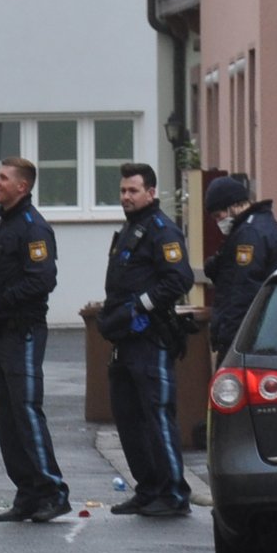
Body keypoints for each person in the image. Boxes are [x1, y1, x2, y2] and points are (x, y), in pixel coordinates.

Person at [0, 157, 72, 523]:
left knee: (27, 411)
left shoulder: (33, 228)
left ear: (23, 186)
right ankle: (28, 492)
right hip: (1, 335)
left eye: (2, 178)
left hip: (23, 332)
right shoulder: (5, 225)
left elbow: (40, 280)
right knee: (7, 415)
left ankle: (53, 489)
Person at [97, 162, 197, 517]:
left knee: (156, 415)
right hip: (125, 339)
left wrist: (140, 306)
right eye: (123, 191)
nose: (126, 196)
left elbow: (179, 279)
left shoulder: (161, 230)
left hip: (150, 338)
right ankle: (148, 488)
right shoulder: (130, 229)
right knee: (128, 417)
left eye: (133, 190)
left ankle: (173, 493)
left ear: (151, 193)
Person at [202, 175, 277, 359]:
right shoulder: (265, 225)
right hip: (265, 334)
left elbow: (241, 292)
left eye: (219, 215)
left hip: (245, 338)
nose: (219, 222)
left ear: (233, 206)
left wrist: (229, 339)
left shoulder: (248, 235)